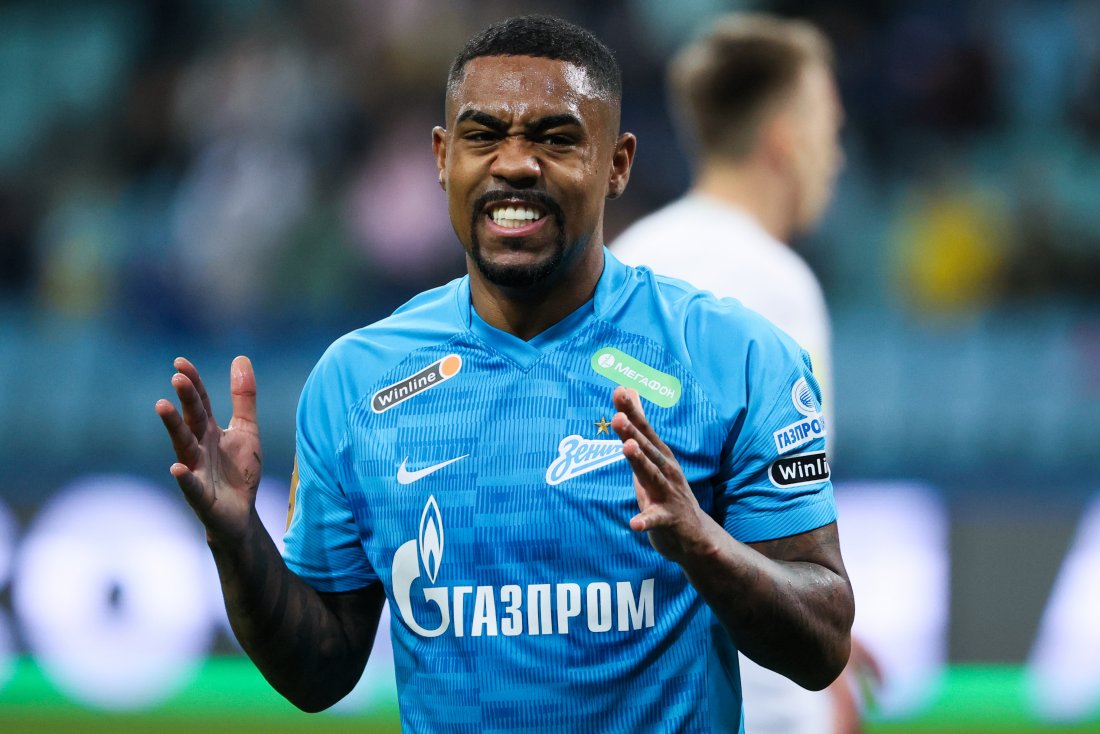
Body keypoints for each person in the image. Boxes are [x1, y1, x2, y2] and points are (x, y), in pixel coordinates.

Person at [155, 15, 853, 733]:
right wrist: (238, 541)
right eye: (484, 135)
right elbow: (319, 672)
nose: (515, 163)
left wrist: (704, 546)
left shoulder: (738, 358)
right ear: (442, 157)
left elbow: (823, 642)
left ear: (618, 164)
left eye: (556, 138)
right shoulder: (355, 384)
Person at [613, 13, 867, 734]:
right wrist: (819, 684)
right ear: (784, 138)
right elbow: (780, 524)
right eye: (829, 128)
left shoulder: (627, 263)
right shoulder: (776, 287)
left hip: (639, 683)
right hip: (754, 696)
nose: (836, 156)